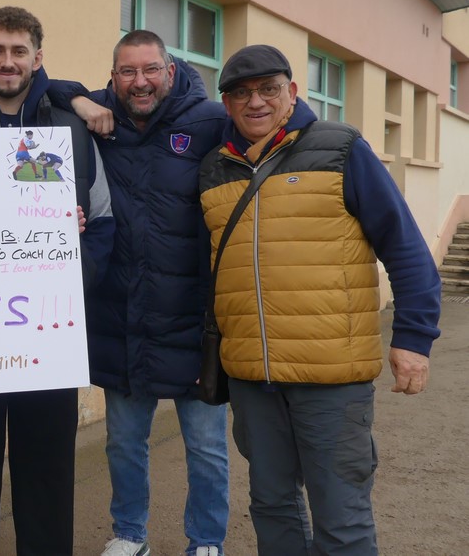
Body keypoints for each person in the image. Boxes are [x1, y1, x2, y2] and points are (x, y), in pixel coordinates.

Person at [199, 44, 441, 555]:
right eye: (240, 93)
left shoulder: (340, 148)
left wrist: (414, 338)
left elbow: (404, 246)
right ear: (227, 105)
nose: (255, 102)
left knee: (341, 517)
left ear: (292, 92)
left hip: (331, 377)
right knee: (271, 505)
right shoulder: (215, 169)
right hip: (252, 377)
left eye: (268, 89)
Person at [0, 6, 114, 556]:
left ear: (38, 59)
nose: (7, 61)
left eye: (19, 51)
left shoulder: (73, 131)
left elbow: (102, 222)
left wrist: (69, 285)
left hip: (48, 331)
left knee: (46, 472)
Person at [49, 30, 230, 556]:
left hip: (192, 320)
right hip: (122, 317)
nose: (140, 81)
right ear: (113, 78)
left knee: (207, 446)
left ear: (170, 71)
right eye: (127, 72)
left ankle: (206, 541)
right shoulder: (101, 117)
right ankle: (130, 534)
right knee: (125, 442)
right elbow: (45, 86)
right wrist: (81, 100)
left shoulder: (209, 121)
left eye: (150, 69)